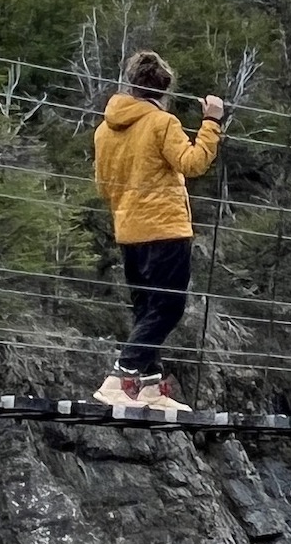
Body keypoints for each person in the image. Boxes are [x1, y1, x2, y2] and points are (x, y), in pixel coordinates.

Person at [91, 50, 224, 411]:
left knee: (146, 308)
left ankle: (151, 387)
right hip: (165, 228)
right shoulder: (162, 123)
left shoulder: (105, 129)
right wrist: (212, 122)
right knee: (168, 307)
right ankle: (119, 377)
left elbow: (104, 186)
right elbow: (193, 163)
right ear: (165, 90)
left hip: (128, 229)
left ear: (131, 84)